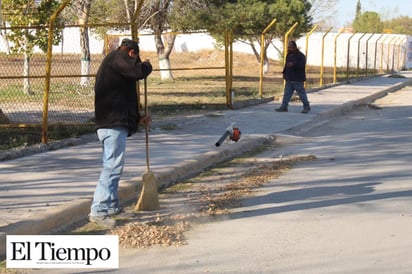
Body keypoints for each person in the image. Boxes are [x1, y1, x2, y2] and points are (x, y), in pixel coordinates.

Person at [89, 38, 153, 228]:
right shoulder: (118, 57)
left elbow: (121, 97)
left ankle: (111, 207)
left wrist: (137, 118)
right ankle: (99, 210)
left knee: (113, 166)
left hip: (113, 122)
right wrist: (147, 66)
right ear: (132, 53)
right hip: (111, 124)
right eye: (136, 58)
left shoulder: (114, 64)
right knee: (112, 167)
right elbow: (138, 71)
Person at [276, 40, 310, 113]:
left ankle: (306, 107)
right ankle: (284, 107)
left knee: (302, 94)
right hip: (289, 78)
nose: (289, 49)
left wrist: (293, 64)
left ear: (295, 47)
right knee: (286, 94)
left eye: (291, 47)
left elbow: (302, 66)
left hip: (297, 79)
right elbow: (286, 65)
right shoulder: (288, 55)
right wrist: (284, 73)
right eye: (288, 47)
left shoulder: (301, 56)